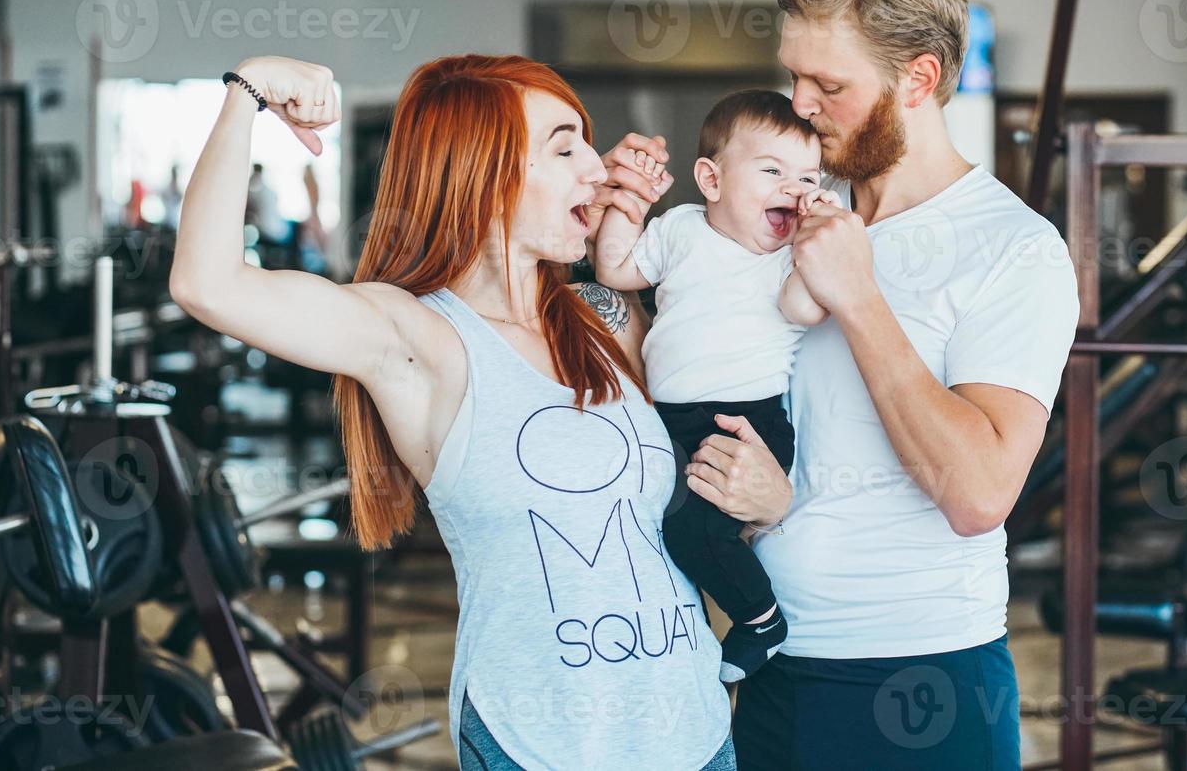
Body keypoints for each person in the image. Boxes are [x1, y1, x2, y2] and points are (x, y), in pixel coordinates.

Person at [170, 53, 793, 770]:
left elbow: (717, 449)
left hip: (694, 732)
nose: (595, 167)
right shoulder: (419, 340)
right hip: (540, 746)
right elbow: (206, 283)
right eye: (564, 148)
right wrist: (247, 93)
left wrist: (770, 502)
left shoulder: (604, 319)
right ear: (484, 172)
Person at [719, 0, 1081, 767]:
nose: (800, 105)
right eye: (793, 76)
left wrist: (861, 299)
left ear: (918, 78)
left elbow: (980, 494)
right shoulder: (786, 210)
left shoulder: (1014, 247)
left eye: (827, 84)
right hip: (770, 665)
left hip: (921, 683)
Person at [592, 89, 837, 683]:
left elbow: (807, 311)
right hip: (670, 419)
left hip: (747, 423)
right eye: (772, 170)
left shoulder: (783, 262)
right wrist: (627, 207)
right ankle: (686, 637)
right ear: (711, 179)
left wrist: (812, 242)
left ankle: (760, 620)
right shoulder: (679, 229)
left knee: (699, 528)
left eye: (808, 177)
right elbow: (616, 270)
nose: (794, 188)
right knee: (658, 526)